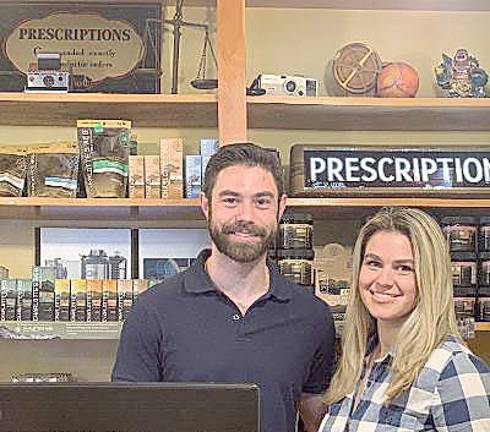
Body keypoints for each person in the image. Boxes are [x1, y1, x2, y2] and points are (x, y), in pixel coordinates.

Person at [112, 143, 336, 432]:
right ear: (206, 205)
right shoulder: (152, 311)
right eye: (231, 200)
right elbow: (127, 419)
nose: (246, 216)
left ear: (281, 207)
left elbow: (316, 414)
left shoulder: (313, 316)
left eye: (261, 201)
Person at [319, 207, 490, 432]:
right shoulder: (357, 362)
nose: (384, 280)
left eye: (404, 268)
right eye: (374, 263)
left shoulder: (453, 368)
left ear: (429, 277)